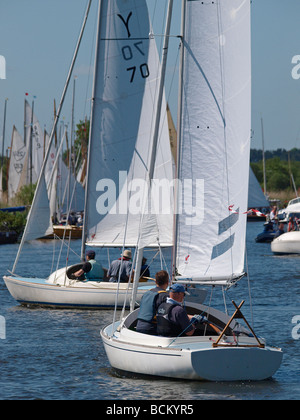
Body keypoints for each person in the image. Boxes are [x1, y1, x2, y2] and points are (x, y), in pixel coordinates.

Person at [136, 270, 169, 335]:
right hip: (152, 328)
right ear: (167, 282)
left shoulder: (147, 293)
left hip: (139, 325)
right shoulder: (164, 296)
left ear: (156, 281)